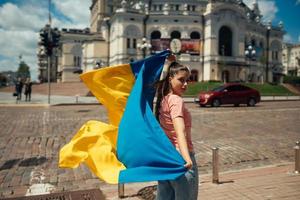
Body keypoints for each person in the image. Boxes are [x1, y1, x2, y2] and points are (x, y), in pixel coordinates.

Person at [155, 60, 198, 200]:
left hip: (166, 158)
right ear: (170, 79)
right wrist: (187, 158)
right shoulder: (176, 100)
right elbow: (180, 131)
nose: (185, 84)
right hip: (181, 159)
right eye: (181, 80)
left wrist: (171, 59)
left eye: (187, 80)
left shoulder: (163, 99)